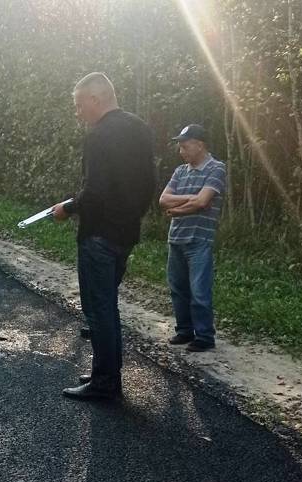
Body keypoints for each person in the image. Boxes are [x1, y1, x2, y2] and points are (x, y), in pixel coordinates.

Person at [53, 72, 156, 401]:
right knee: (107, 307)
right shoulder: (140, 128)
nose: (78, 112)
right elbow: (150, 184)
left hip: (98, 236)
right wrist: (132, 217)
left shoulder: (98, 136)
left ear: (96, 100)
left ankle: (105, 384)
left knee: (99, 310)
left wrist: (68, 207)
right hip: (126, 234)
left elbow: (94, 192)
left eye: (79, 105)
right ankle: (104, 371)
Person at [158, 124, 227, 352]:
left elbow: (203, 202)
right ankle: (184, 330)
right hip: (176, 238)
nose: (181, 151)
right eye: (180, 146)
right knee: (178, 288)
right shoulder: (180, 171)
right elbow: (163, 200)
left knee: (199, 290)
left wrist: (178, 210)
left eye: (185, 146)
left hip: (199, 239)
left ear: (200, 145)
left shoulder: (216, 169)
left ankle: (205, 336)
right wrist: (191, 199)